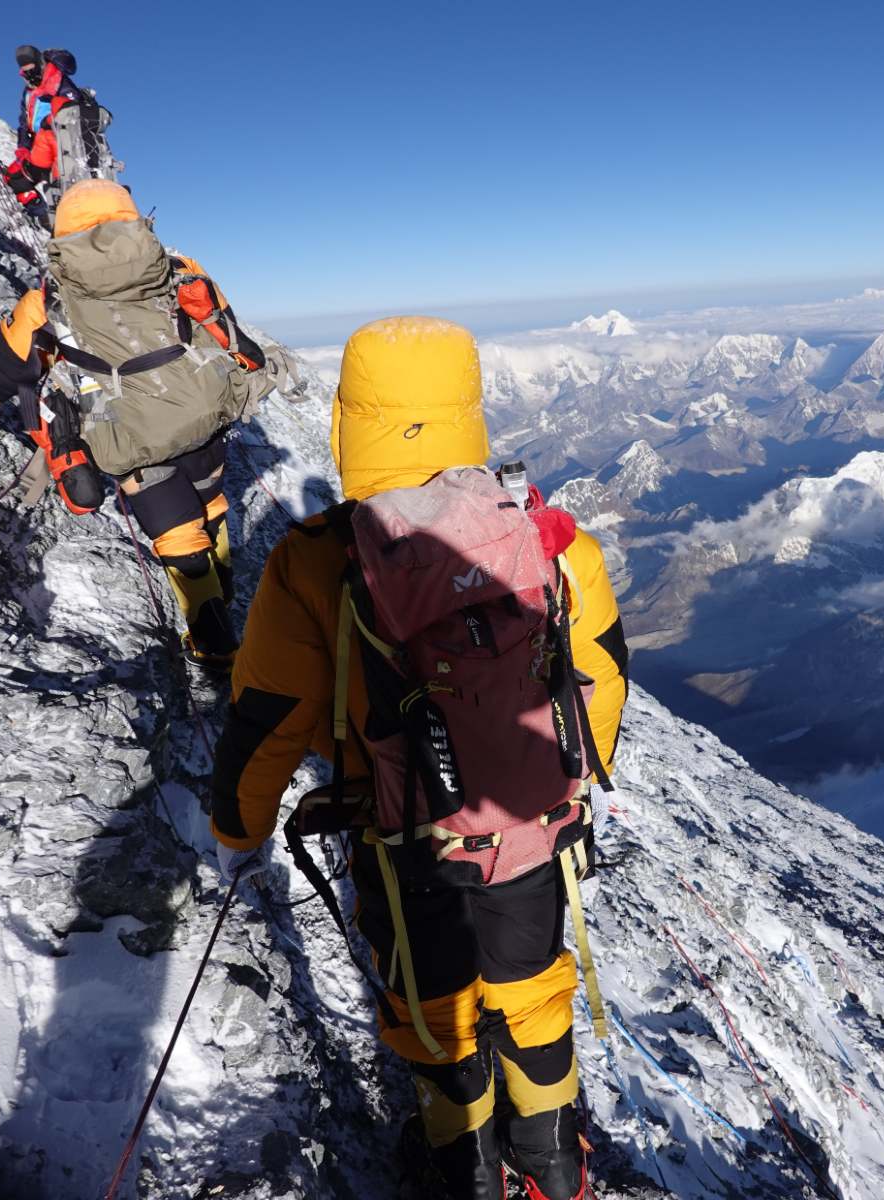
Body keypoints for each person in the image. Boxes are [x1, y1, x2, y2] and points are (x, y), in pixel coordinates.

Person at [209, 317, 629, 1200]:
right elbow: (603, 677)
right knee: (534, 990)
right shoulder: (549, 540)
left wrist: (236, 827)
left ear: (351, 418)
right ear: (467, 409)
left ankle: (461, 1165)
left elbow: (269, 717)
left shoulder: (315, 562)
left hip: (404, 847)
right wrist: (567, 782)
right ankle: (553, 1161)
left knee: (432, 1010)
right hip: (530, 830)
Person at [0, 179, 301, 669]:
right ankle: (222, 588)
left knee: (177, 534)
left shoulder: (46, 302)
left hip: (129, 439)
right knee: (211, 501)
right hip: (205, 417)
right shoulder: (182, 272)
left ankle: (212, 639)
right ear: (134, 219)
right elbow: (224, 331)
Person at [1, 45, 83, 220]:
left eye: (31, 69)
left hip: (63, 144)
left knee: (62, 188)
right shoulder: (28, 93)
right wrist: (23, 149)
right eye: (25, 71)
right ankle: (42, 215)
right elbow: (24, 125)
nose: (29, 74)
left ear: (39, 63)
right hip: (40, 148)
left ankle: (65, 219)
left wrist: (52, 121)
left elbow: (74, 109)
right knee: (14, 177)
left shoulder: (59, 80)